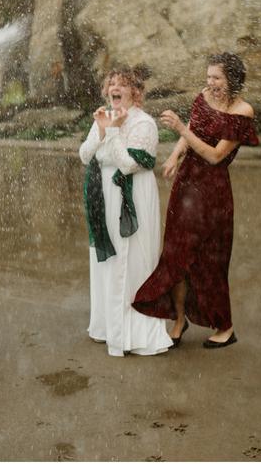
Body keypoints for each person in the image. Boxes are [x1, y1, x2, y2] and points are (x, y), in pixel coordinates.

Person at [133, 52, 258, 349]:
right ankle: (179, 319)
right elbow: (195, 127)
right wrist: (175, 155)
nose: (210, 83)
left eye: (216, 78)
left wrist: (180, 130)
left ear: (232, 79)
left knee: (210, 260)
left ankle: (225, 327)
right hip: (186, 185)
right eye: (208, 77)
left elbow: (215, 156)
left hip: (213, 193)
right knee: (176, 255)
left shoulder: (243, 111)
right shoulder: (203, 97)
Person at [79, 66, 173, 356]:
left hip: (132, 197)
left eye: (121, 84)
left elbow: (130, 165)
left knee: (132, 259)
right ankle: (108, 327)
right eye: (110, 84)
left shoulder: (145, 124)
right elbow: (85, 156)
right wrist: (102, 131)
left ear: (136, 92)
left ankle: (132, 333)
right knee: (108, 259)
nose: (113, 89)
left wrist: (116, 133)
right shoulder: (103, 118)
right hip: (104, 197)